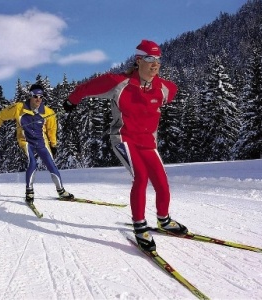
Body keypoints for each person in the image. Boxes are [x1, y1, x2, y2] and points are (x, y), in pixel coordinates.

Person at [63, 40, 188, 251]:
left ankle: (164, 220)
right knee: (141, 176)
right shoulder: (118, 82)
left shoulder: (166, 88)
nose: (155, 64)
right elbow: (86, 88)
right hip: (123, 138)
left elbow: (169, 93)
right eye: (149, 59)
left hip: (148, 142)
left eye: (158, 59)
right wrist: (72, 101)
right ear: (138, 60)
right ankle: (140, 226)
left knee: (161, 181)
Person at [0, 83, 74, 204]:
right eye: (35, 96)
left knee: (51, 164)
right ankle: (29, 191)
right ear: (30, 96)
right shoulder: (19, 108)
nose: (38, 99)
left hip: (41, 142)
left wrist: (53, 145)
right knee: (32, 162)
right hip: (25, 141)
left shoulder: (48, 112)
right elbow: (2, 115)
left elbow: (52, 130)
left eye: (41, 96)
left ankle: (61, 191)